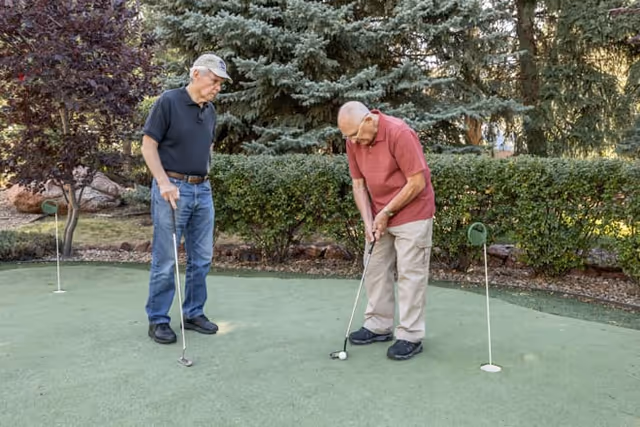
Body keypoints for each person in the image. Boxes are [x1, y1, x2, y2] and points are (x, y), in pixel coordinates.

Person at [141, 53, 232, 344]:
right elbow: (148, 146)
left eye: (220, 83)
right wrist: (164, 182)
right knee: (167, 260)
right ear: (196, 74)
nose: (217, 87)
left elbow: (208, 147)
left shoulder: (211, 110)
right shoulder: (169, 101)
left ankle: (193, 313)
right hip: (173, 188)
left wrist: (203, 175)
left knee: (202, 258)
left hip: (202, 190)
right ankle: (158, 319)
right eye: (214, 80)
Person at [338, 101, 436, 361]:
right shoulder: (353, 140)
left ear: (369, 121)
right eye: (348, 137)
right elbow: (358, 185)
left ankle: (410, 335)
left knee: (410, 273)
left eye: (356, 135)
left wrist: (387, 213)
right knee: (374, 266)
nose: (353, 142)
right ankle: (378, 325)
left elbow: (417, 182)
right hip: (381, 213)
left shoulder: (399, 133)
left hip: (413, 212)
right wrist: (368, 221)